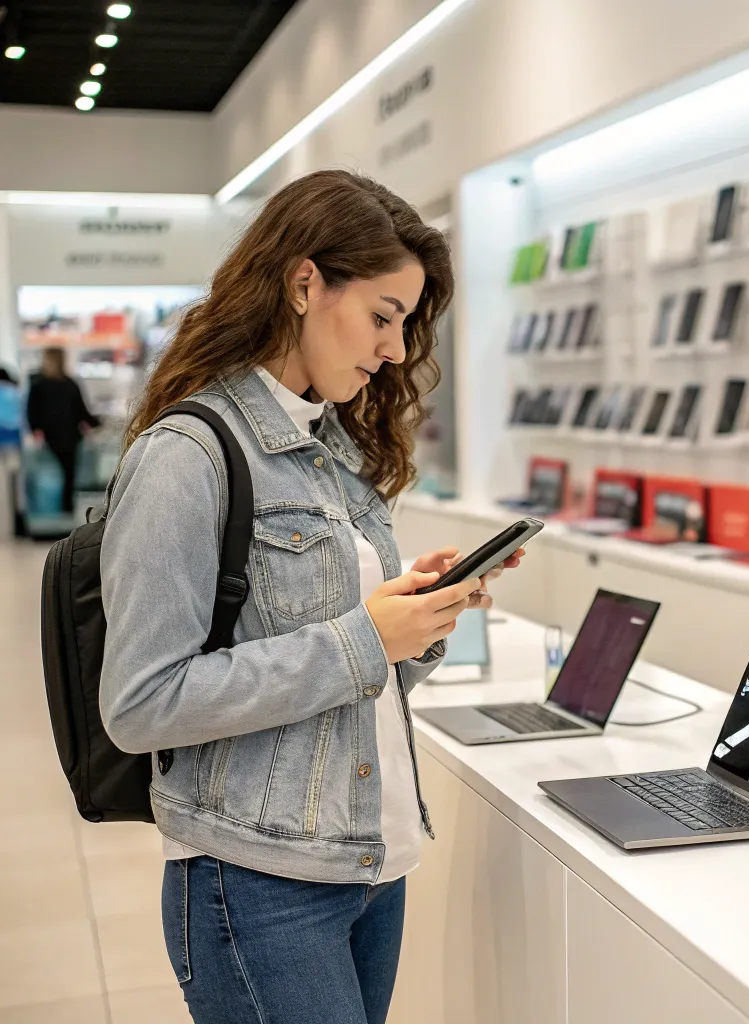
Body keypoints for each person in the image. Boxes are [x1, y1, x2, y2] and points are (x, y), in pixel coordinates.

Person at [98, 169, 524, 1024]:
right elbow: (140, 704)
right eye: (382, 316)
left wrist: (419, 621)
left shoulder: (334, 451)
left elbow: (351, 686)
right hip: (257, 887)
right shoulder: (187, 455)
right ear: (303, 284)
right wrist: (365, 639)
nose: (396, 351)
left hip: (370, 865)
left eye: (405, 325)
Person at [26, 347, 100, 512]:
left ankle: (48, 513)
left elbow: (32, 412)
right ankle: (66, 511)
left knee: (50, 478)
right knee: (68, 476)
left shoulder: (38, 385)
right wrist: (100, 423)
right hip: (70, 438)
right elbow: (82, 413)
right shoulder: (70, 384)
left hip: (48, 440)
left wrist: (36, 430)